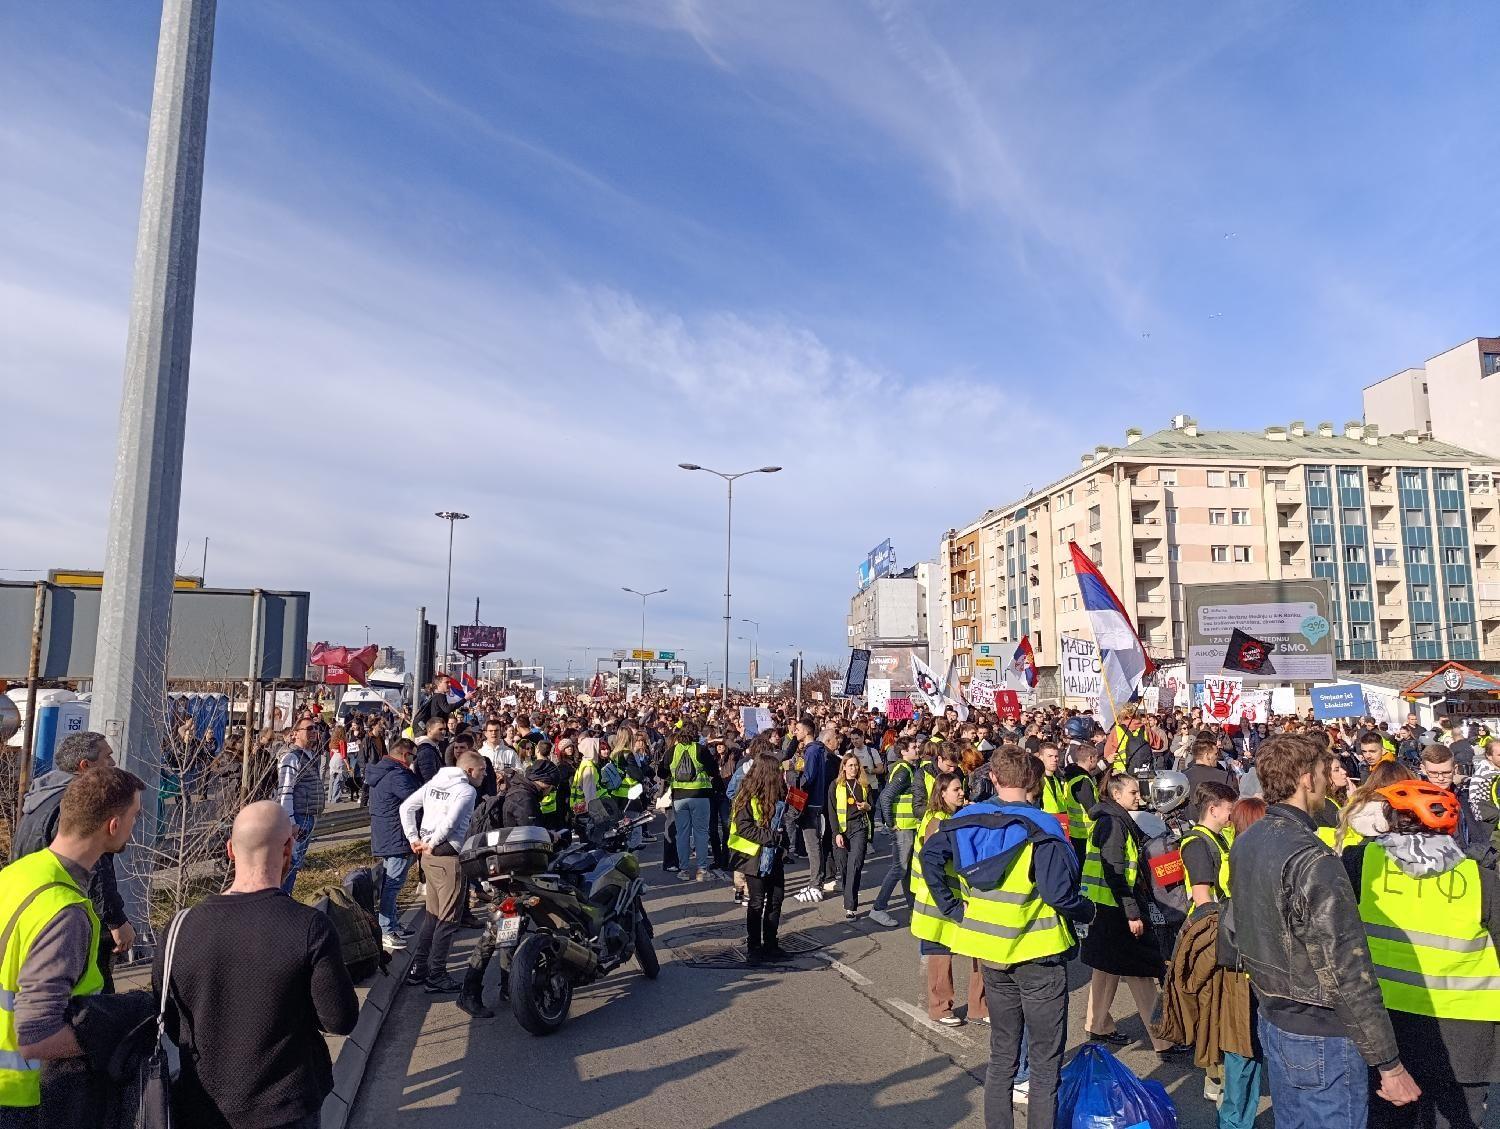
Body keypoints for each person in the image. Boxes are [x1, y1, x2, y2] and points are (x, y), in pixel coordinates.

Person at [1227, 733, 1420, 1126]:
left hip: (1275, 1017)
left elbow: (1234, 932)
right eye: (1323, 772)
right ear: (1305, 779)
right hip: (1320, 1033)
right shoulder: (1313, 858)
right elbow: (1346, 969)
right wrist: (1389, 1064)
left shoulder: (1248, 840)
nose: (1330, 781)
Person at [153, 801, 358, 1129]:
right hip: (284, 1109)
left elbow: (174, 1026)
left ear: (231, 850)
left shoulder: (179, 927)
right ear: (289, 847)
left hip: (200, 1107)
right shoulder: (309, 928)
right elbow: (340, 1020)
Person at [920, 749, 1094, 1129]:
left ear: (994, 779)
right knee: (1045, 1066)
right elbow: (1058, 894)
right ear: (1034, 782)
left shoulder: (963, 820)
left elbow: (928, 859)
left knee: (1002, 1057)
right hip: (1040, 952)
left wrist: (954, 909)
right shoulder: (1043, 827)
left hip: (990, 951)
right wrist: (1088, 911)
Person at [1341, 779, 1499, 1128]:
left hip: (1388, 1027)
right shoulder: (1479, 878)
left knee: (1390, 1120)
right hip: (1466, 1035)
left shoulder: (1362, 863)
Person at [0, 767, 143, 1126]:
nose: (134, 826)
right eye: (134, 817)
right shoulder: (64, 912)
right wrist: (112, 1035)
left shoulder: (17, 873)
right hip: (28, 1099)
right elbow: (37, 1037)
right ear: (113, 825)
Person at [9, 732, 133, 992]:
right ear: (85, 766)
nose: (112, 762)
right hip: (66, 912)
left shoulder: (41, 797)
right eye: (106, 756)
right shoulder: (78, 807)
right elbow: (96, 867)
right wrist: (115, 920)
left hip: (33, 905)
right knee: (87, 993)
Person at [1080, 772, 1181, 1057]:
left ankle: (1097, 1023)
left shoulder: (1108, 819)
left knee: (1106, 966)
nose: (1140, 797)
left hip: (1103, 907)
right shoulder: (1114, 823)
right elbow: (1116, 874)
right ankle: (1163, 1039)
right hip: (1116, 908)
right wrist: (1133, 913)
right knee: (1142, 971)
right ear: (1116, 795)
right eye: (1134, 793)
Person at [400, 751, 488, 993]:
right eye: (482, 769)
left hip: (427, 856)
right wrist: (432, 841)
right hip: (448, 856)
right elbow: (451, 821)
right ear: (470, 770)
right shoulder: (467, 791)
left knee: (433, 916)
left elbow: (407, 807)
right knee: (448, 919)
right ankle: (437, 974)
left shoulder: (435, 783)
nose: (485, 774)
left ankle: (419, 968)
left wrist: (414, 838)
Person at [910, 771, 987, 1028]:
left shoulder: (954, 818)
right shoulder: (937, 821)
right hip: (939, 901)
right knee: (940, 955)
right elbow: (932, 863)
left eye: (961, 788)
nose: (962, 793)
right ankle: (940, 1008)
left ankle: (979, 1008)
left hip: (957, 898)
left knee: (977, 950)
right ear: (942, 793)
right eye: (956, 789)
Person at [726, 753, 795, 961]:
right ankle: (754, 948)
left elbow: (785, 817)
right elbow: (744, 828)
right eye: (777, 772)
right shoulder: (745, 796)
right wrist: (772, 837)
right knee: (757, 902)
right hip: (752, 857)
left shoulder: (776, 794)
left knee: (776, 899)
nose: (780, 776)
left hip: (773, 854)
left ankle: (772, 944)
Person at [367, 737, 421, 950]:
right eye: (413, 756)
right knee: (393, 883)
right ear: (405, 755)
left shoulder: (383, 771)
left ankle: (391, 924)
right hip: (396, 834)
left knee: (392, 881)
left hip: (388, 834)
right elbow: (416, 799)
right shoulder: (398, 775)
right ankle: (386, 928)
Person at [869, 737, 928, 928]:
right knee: (899, 868)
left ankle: (912, 909)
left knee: (908, 870)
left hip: (908, 825)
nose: (917, 749)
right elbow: (886, 797)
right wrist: (891, 823)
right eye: (913, 747)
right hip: (902, 826)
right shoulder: (903, 771)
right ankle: (878, 908)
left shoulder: (908, 769)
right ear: (903, 752)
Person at [277, 714, 325, 894]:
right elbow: (285, 791)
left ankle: (286, 899)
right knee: (290, 864)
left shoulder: (310, 755)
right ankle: (282, 903)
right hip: (297, 817)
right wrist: (291, 823)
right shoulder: (291, 758)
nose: (314, 732)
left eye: (315, 728)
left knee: (295, 865)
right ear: (295, 733)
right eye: (309, 729)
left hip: (307, 816)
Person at [669, 724, 718, 882]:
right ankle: (701, 870)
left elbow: (661, 771)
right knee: (701, 833)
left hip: (679, 796)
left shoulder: (672, 751)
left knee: (682, 834)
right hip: (700, 795)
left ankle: (683, 870)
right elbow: (713, 770)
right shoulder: (700, 749)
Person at [793, 720, 836, 902]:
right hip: (816, 802)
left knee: (812, 845)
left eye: (798, 729)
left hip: (809, 804)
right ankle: (816, 881)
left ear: (807, 731)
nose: (795, 732)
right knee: (815, 844)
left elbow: (808, 778)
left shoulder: (811, 751)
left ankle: (815, 884)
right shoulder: (819, 750)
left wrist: (795, 783)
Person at [1180, 781, 1237, 917]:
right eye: (1230, 809)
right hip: (1215, 923)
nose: (1233, 814)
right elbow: (1201, 897)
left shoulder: (1218, 838)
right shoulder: (1197, 844)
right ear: (1213, 810)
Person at [828, 753, 873, 920]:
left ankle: (850, 906)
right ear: (844, 767)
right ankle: (849, 895)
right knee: (844, 866)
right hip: (841, 829)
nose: (854, 768)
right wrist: (836, 833)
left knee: (855, 864)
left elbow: (872, 806)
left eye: (856, 765)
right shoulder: (835, 785)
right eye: (851, 765)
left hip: (859, 827)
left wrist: (867, 806)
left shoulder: (864, 785)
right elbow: (831, 811)